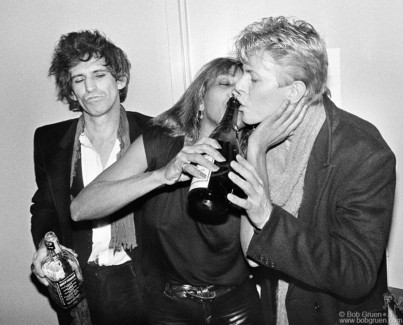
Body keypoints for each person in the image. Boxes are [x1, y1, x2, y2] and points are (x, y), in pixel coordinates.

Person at [70, 57, 289, 324]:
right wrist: (162, 175)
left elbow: (260, 254)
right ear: (199, 99)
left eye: (245, 85)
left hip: (237, 306)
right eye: (225, 83)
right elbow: (80, 209)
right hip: (167, 308)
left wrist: (257, 148)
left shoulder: (258, 155)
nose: (237, 91)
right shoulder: (161, 143)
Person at [226, 16, 396, 325]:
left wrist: (267, 216)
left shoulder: (364, 151)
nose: (237, 87)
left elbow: (355, 274)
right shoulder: (255, 137)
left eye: (252, 77)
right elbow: (252, 253)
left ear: (294, 92)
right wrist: (256, 150)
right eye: (241, 72)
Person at [30, 30, 150, 325]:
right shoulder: (49, 140)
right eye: (79, 79)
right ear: (70, 91)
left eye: (99, 74)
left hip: (144, 281)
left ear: (119, 80)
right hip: (80, 282)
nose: (90, 88)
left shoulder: (153, 133)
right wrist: (45, 250)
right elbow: (45, 207)